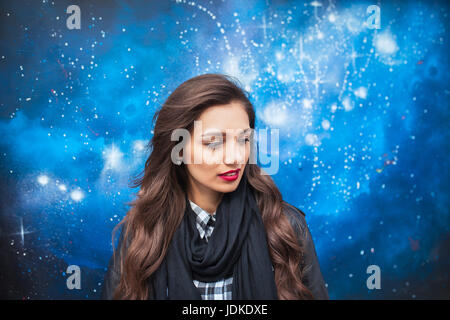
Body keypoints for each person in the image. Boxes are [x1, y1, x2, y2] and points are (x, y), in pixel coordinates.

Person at [101, 73, 329, 300]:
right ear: (178, 149)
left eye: (243, 139)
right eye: (213, 142)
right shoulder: (143, 231)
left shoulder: (284, 227)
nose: (235, 157)